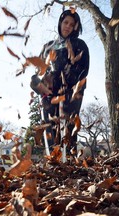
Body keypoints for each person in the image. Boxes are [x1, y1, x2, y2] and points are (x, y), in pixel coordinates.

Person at [31, 9, 90, 153]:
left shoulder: (80, 45)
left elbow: (83, 71)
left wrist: (68, 81)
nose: (68, 26)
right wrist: (40, 85)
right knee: (49, 128)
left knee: (68, 129)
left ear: (76, 27)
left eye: (72, 24)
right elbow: (38, 72)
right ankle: (52, 163)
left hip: (70, 93)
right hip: (49, 95)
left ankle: (69, 165)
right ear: (60, 23)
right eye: (66, 22)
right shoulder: (48, 46)